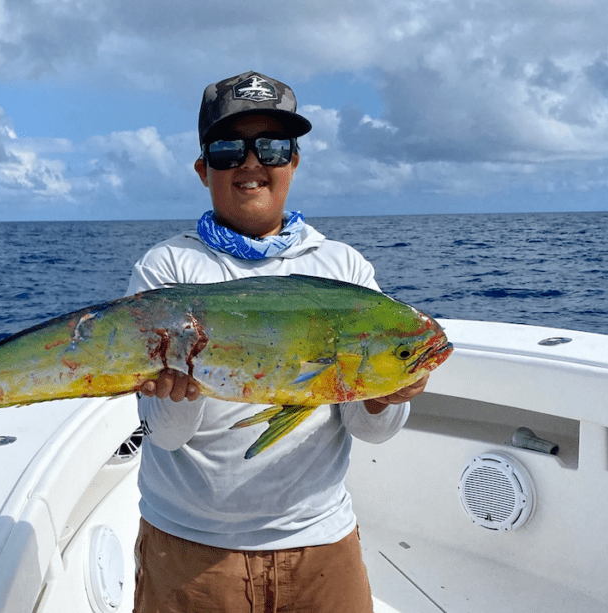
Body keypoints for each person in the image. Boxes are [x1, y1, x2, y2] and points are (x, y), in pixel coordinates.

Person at [127, 71, 428, 613]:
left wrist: (384, 396)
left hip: (320, 544)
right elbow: (166, 436)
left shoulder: (343, 268)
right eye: (227, 149)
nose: (250, 163)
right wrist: (174, 395)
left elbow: (370, 429)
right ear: (202, 169)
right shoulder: (168, 269)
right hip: (191, 550)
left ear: (294, 161)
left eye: (271, 147)